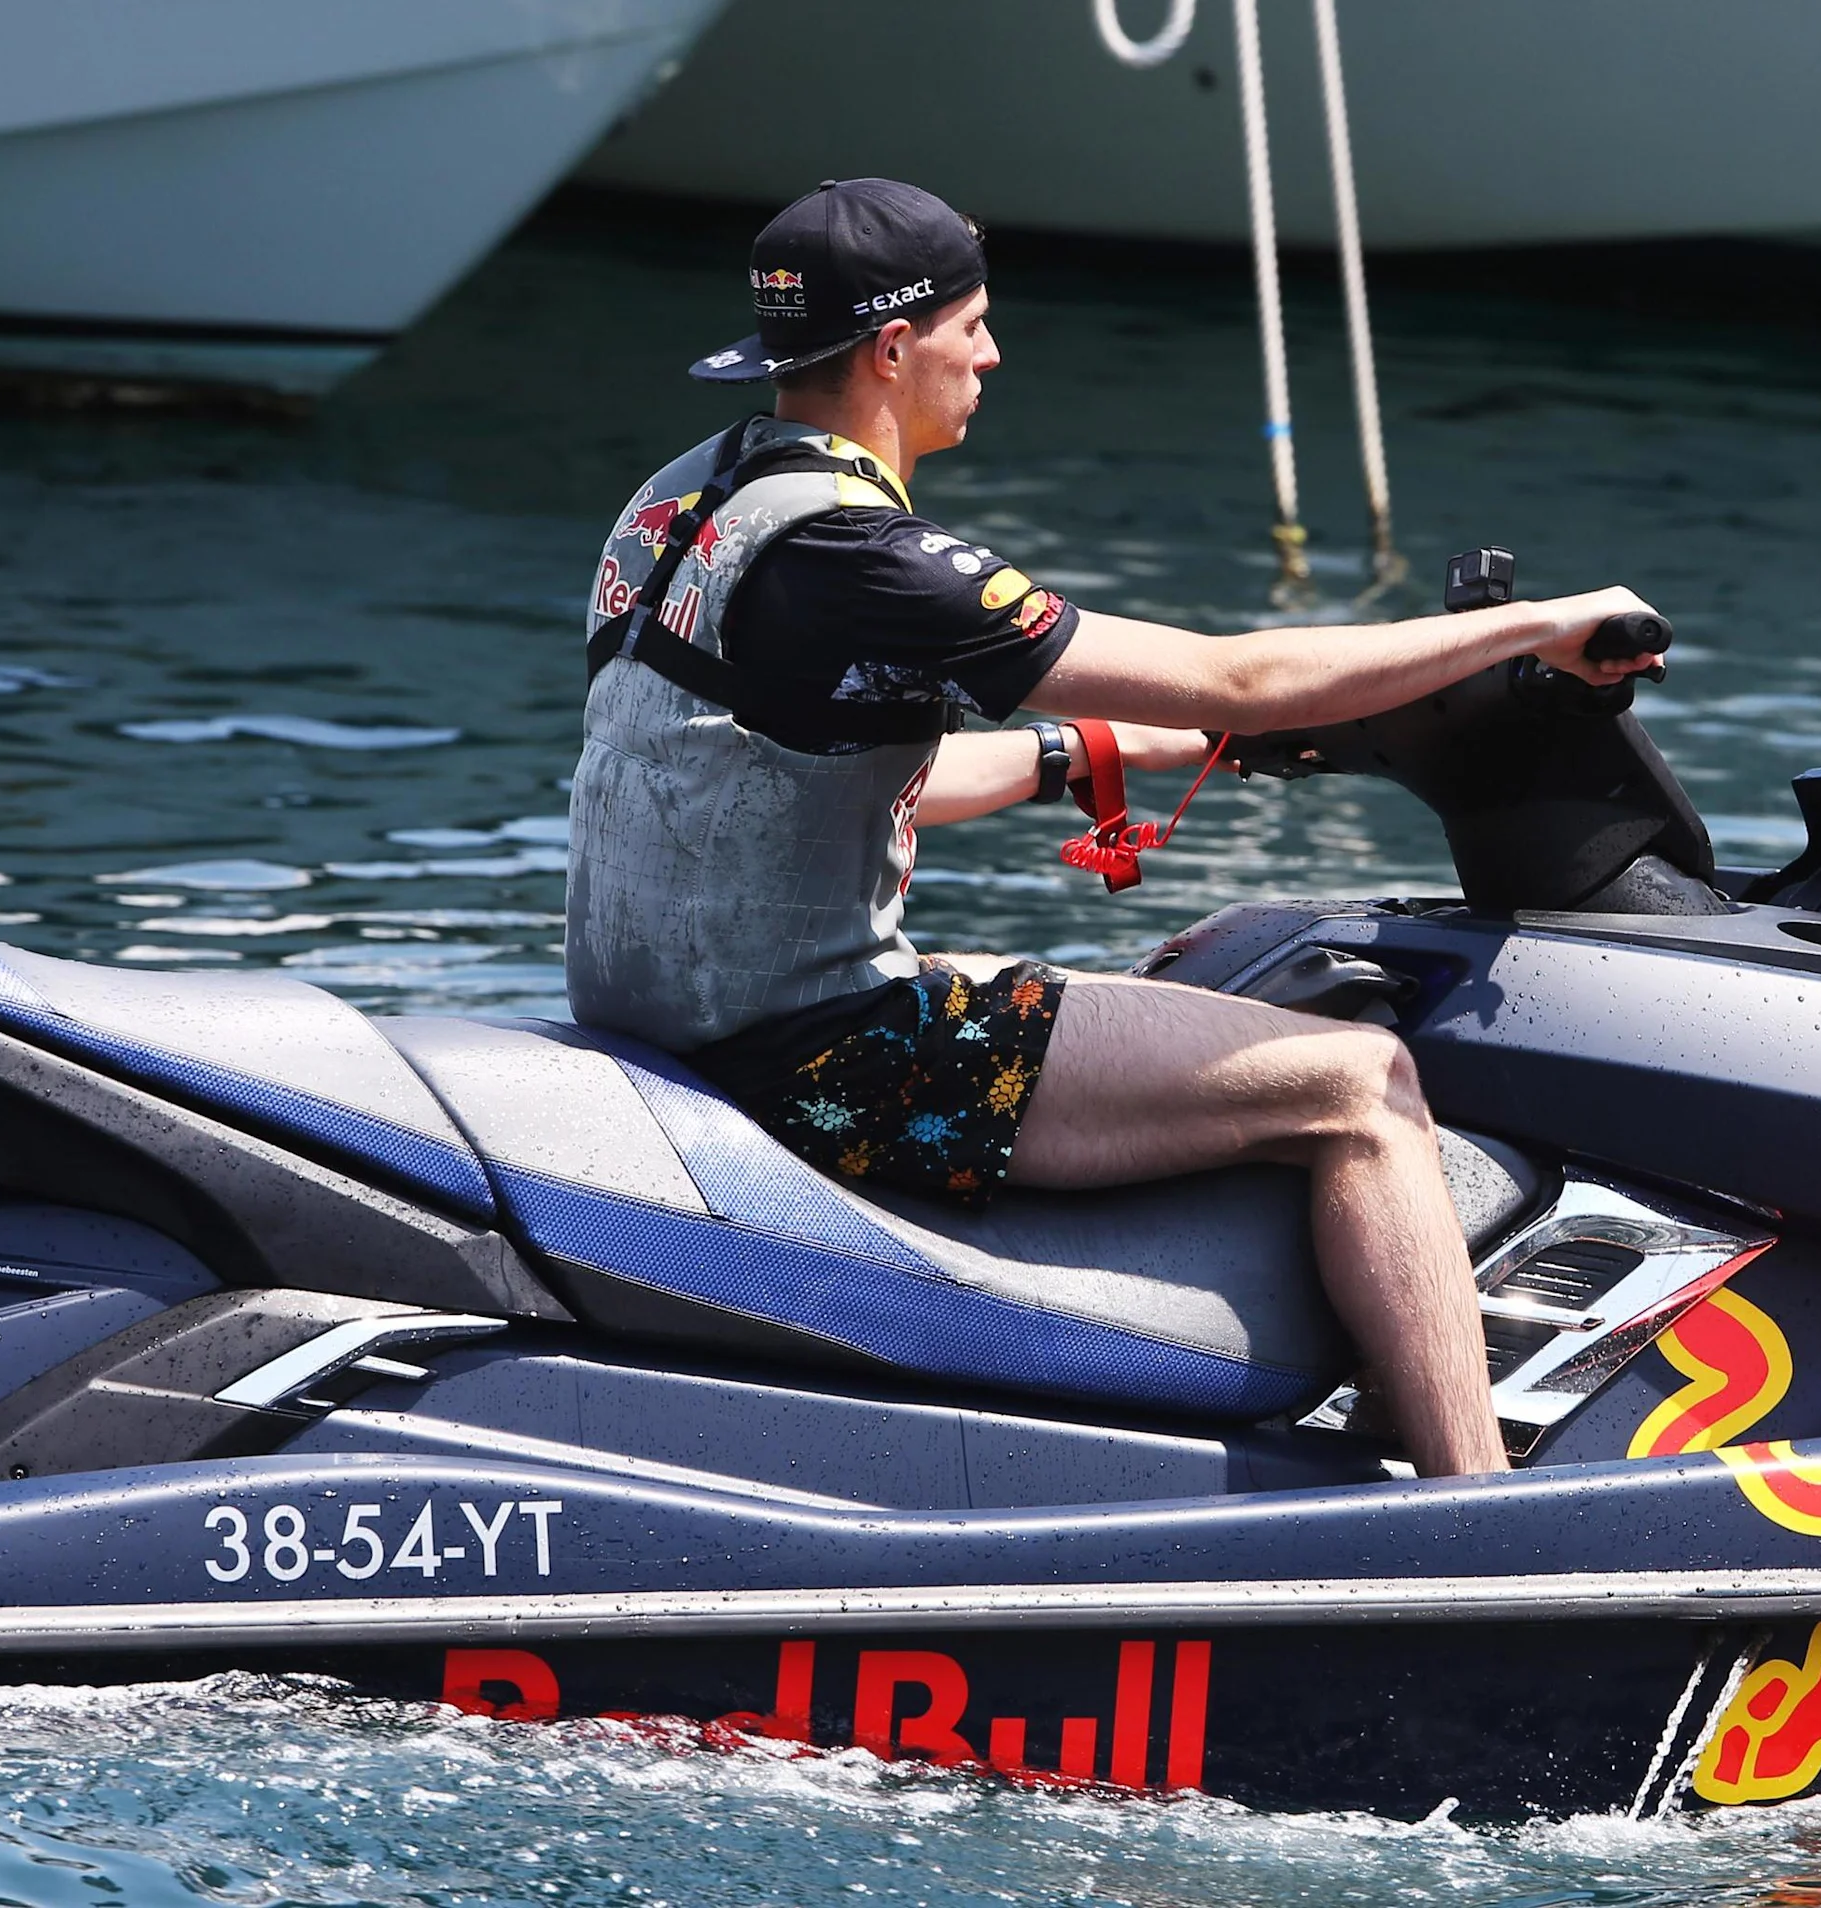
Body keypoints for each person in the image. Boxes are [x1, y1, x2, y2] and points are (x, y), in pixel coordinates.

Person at [565, 180, 1663, 1477]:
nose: (992, 353)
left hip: (665, 1017)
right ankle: (1482, 1521)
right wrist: (1538, 627)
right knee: (1365, 1087)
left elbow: (774, 765)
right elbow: (1240, 681)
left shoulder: (682, 504)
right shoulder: (870, 558)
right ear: (893, 349)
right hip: (817, 1055)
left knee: (1182, 993)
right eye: (972, 325)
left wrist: (1078, 753)